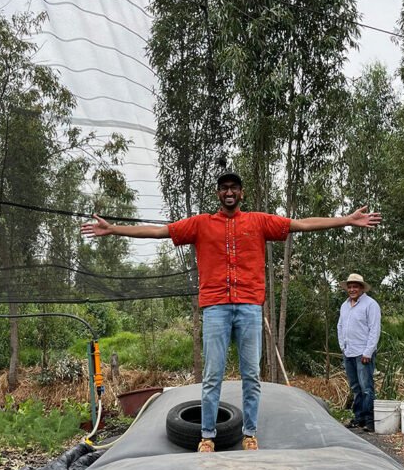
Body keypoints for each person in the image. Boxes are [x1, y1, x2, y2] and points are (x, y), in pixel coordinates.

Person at [81, 172, 381, 452]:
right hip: (215, 308)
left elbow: (299, 224)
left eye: (233, 188)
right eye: (224, 188)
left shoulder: (258, 221)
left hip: (250, 306)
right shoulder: (201, 223)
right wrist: (114, 229)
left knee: (251, 374)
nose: (229, 192)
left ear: (241, 193)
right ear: (218, 193)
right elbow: (159, 231)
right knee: (213, 375)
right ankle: (207, 436)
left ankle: (249, 433)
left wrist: (346, 220)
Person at [337, 273, 381, 432]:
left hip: (363, 353)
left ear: (361, 288)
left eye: (355, 286)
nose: (352, 289)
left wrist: (368, 352)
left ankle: (370, 421)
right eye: (349, 287)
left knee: (366, 387)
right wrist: (342, 346)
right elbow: (340, 326)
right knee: (355, 387)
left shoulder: (371, 305)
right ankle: (358, 418)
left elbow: (374, 329)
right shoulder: (344, 305)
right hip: (348, 352)